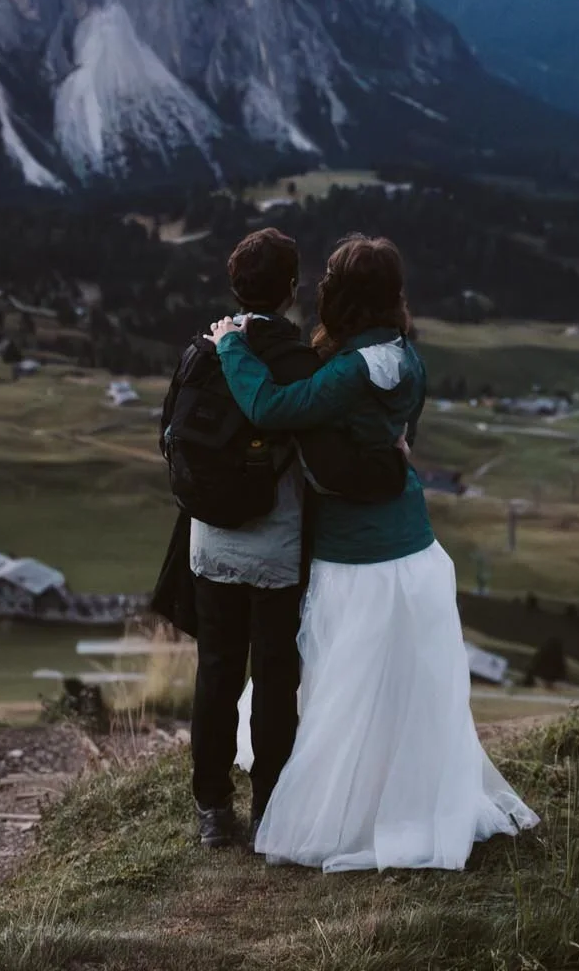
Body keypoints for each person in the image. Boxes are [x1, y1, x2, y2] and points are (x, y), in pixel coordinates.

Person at [211, 234, 538, 872]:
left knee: (345, 685)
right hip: (413, 547)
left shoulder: (347, 372)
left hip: (353, 553)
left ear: (341, 297)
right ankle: (404, 795)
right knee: (399, 689)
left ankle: (351, 810)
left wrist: (230, 346)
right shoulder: (407, 358)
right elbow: (401, 433)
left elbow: (271, 408)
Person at [152, 226, 405, 850]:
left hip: (208, 544)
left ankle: (212, 809)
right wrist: (392, 464)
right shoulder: (298, 364)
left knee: (215, 673)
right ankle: (270, 808)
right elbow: (327, 465)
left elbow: (168, 436)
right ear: (291, 288)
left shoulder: (203, 349)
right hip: (276, 549)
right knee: (273, 678)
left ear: (235, 285)